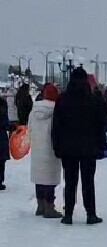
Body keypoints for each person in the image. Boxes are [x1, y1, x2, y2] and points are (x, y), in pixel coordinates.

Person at [52, 67, 107, 225]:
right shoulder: (93, 100)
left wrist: (57, 146)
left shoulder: (63, 99)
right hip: (89, 148)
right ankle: (91, 214)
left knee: (70, 181)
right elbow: (100, 124)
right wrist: (101, 145)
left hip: (68, 149)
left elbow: (56, 125)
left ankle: (68, 214)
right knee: (88, 181)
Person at [29, 84, 62, 218]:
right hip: (50, 149)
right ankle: (49, 207)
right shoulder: (56, 111)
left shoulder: (34, 111)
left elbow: (29, 128)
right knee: (50, 179)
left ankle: (40, 205)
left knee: (40, 178)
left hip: (37, 148)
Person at [0, 95, 9, 191]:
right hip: (1, 135)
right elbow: (6, 121)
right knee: (1, 160)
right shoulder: (2, 103)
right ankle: (0, 180)